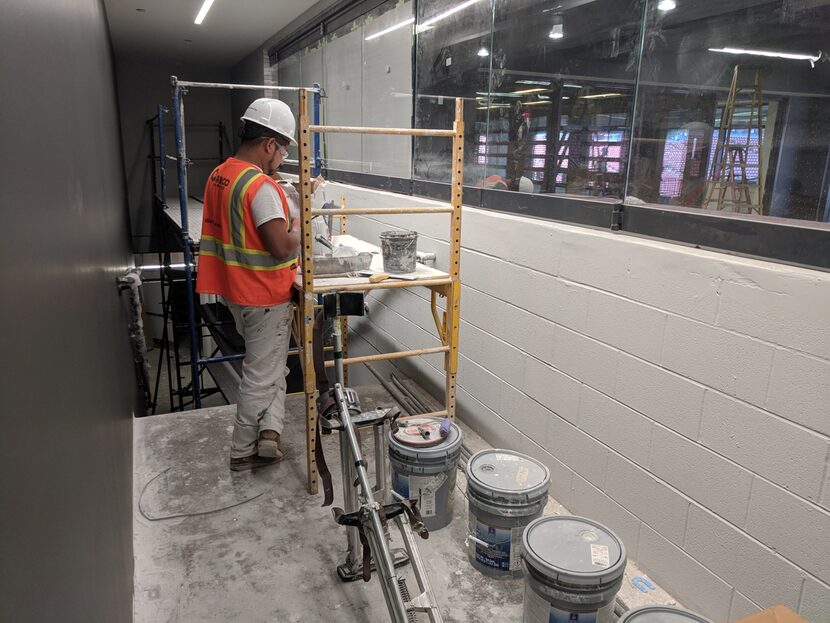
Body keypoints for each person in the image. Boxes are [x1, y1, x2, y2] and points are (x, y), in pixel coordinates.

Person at [196, 97, 301, 471]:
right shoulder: (260, 186)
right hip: (263, 295)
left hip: (234, 289)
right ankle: (242, 450)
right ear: (269, 143)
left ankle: (269, 435)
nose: (284, 158)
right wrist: (303, 218)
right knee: (261, 377)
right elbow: (279, 247)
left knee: (271, 368)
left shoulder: (221, 174)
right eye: (283, 147)